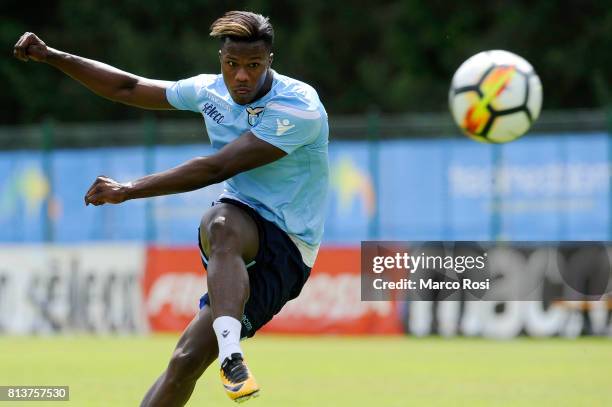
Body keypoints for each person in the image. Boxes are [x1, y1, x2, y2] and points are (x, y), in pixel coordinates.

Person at [14, 10, 329, 406]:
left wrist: (129, 189)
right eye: (232, 65)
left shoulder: (300, 108)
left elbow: (219, 166)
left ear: (270, 61)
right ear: (221, 60)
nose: (242, 76)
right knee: (220, 228)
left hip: (289, 246)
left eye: (253, 65)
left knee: (188, 359)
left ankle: (227, 350)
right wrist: (54, 56)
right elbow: (128, 88)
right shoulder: (208, 91)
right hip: (240, 219)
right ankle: (232, 357)